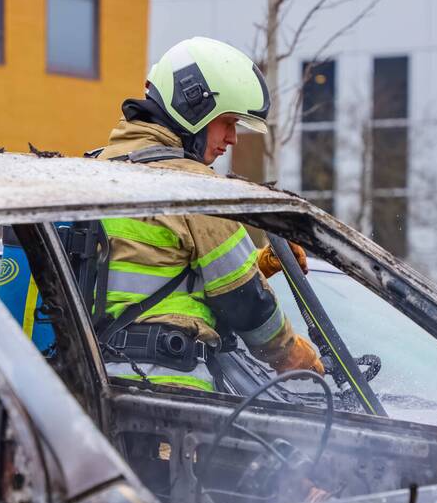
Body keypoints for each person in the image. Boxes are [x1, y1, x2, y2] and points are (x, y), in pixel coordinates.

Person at [89, 36, 324, 393]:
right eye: (227, 122)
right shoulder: (192, 185)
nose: (232, 138)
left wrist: (260, 264)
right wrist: (292, 354)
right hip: (169, 393)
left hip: (99, 385)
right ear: (192, 107)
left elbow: (161, 275)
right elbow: (245, 302)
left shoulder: (93, 170)